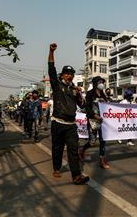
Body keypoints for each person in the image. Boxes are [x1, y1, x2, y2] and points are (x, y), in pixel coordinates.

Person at [48, 43, 89, 185]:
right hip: (58, 123)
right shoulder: (57, 85)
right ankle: (56, 168)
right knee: (57, 147)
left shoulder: (74, 89)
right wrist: (51, 51)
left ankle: (76, 176)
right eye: (67, 74)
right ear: (62, 75)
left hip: (71, 125)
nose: (69, 76)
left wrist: (79, 95)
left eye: (71, 74)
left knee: (73, 150)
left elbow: (82, 106)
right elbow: (51, 69)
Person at [79, 76, 110, 169]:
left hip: (103, 121)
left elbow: (107, 106)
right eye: (100, 82)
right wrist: (94, 115)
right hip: (93, 120)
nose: (102, 84)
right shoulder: (90, 94)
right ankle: (82, 150)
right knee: (92, 142)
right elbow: (87, 107)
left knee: (103, 141)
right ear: (95, 83)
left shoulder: (103, 95)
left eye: (102, 82)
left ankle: (102, 159)